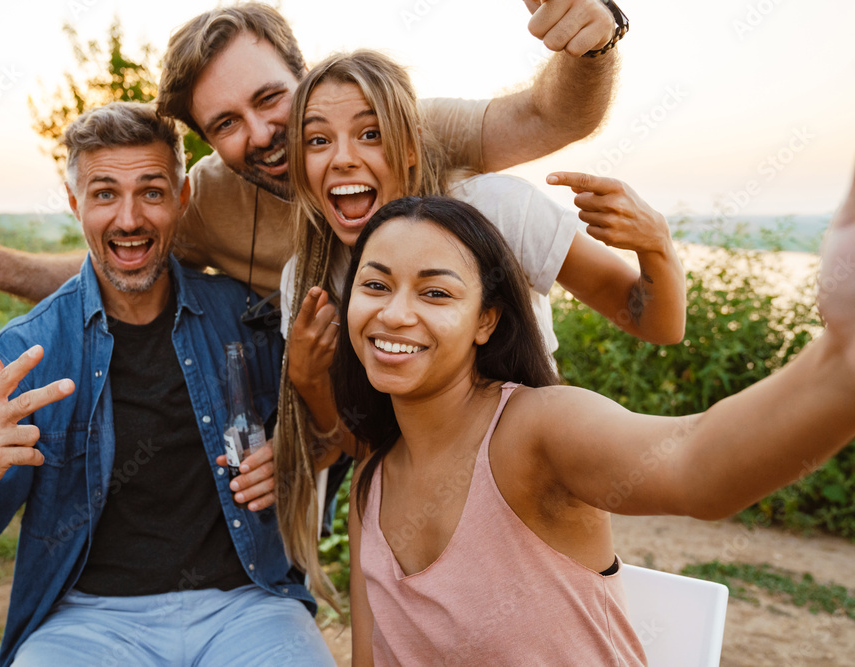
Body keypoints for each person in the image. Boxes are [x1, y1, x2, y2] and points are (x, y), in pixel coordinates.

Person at [0, 102, 334, 667]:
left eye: (152, 192)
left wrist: (297, 444)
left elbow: (341, 427)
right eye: (105, 193)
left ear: (182, 200)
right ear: (75, 204)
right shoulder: (23, 356)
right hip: (85, 623)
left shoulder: (246, 317)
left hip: (248, 607)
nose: (130, 219)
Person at [332, 192, 855, 665]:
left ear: (485, 321)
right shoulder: (368, 488)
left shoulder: (537, 428)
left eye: (436, 294)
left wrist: (842, 358)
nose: (395, 314)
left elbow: (695, 465)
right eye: (375, 285)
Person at [273, 50, 686, 597]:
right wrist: (307, 378)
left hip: (528, 498)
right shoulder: (307, 280)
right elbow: (362, 443)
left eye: (370, 134)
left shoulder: (499, 211)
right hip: (410, 527)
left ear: (411, 148)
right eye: (318, 140)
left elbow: (654, 323)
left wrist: (657, 247)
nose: (343, 159)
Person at [0, 0, 625, 302]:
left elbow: (548, 116)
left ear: (303, 72)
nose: (258, 133)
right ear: (207, 141)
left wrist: (591, 38)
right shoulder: (212, 197)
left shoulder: (399, 126)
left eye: (270, 99)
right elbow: (117, 263)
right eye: (225, 123)